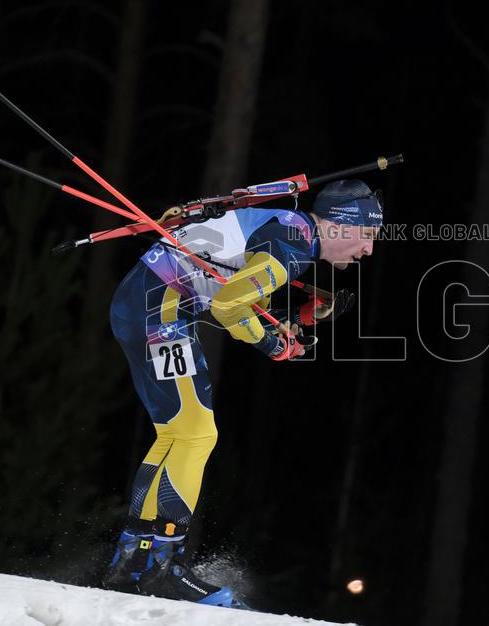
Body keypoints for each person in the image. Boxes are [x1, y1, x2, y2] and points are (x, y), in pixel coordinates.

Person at [102, 179, 383, 606]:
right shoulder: (290, 243)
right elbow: (229, 306)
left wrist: (279, 324)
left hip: (144, 302)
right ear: (341, 226)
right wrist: (273, 343)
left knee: (178, 434)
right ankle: (158, 565)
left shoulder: (287, 227)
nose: (368, 250)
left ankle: (135, 558)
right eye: (368, 236)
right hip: (158, 310)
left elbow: (228, 285)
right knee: (196, 435)